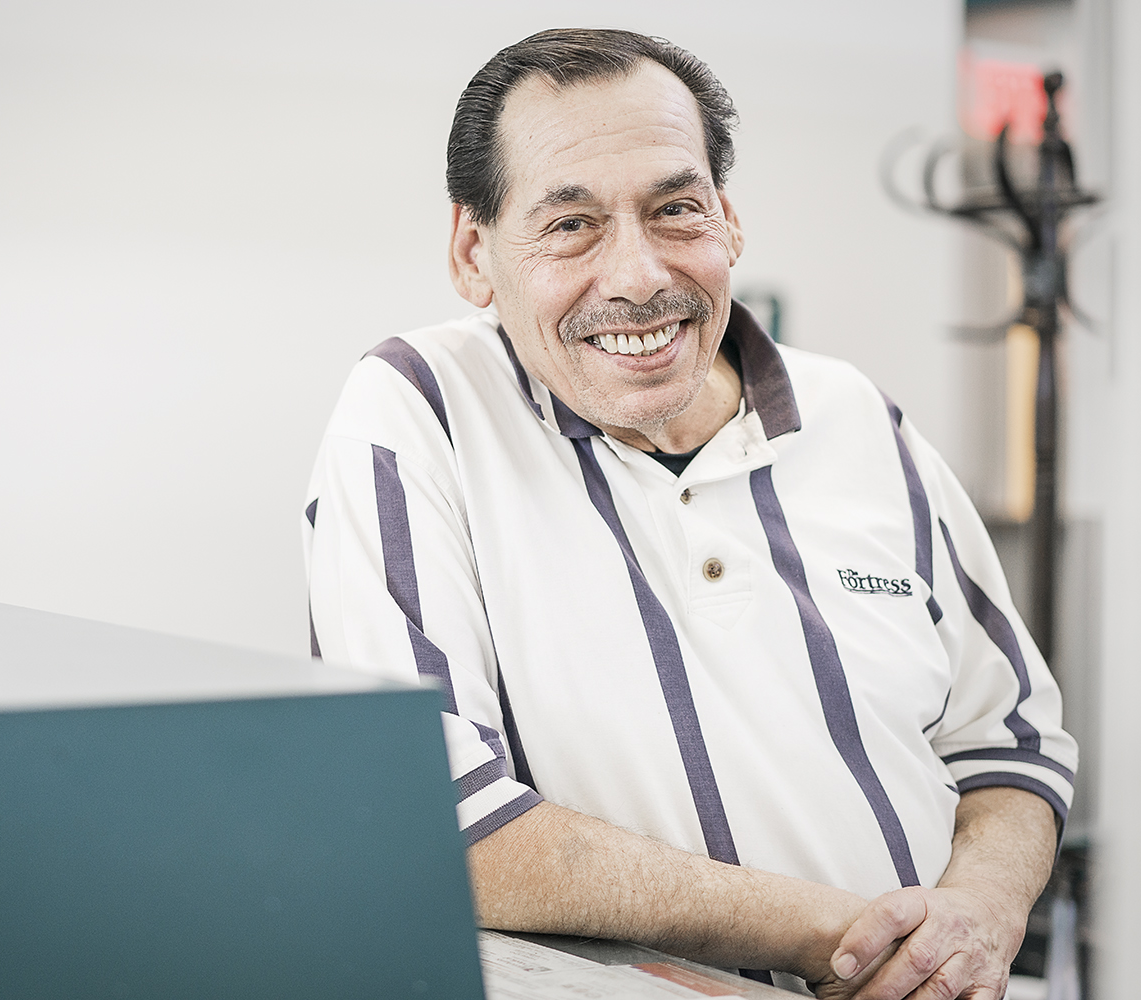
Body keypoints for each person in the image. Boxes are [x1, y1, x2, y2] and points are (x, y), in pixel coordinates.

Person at [302, 28, 1076, 999]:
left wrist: (973, 921)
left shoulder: (857, 416)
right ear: (473, 251)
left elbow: (1012, 745)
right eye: (572, 224)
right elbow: (437, 824)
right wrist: (848, 937)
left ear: (729, 220)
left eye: (676, 209)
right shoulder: (421, 411)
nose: (639, 276)